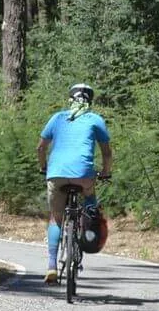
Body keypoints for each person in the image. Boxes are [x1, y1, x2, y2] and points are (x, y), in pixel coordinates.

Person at [36, 83, 112, 284]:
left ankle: (52, 266)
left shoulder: (58, 118)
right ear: (90, 100)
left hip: (56, 174)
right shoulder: (95, 119)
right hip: (83, 174)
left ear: (70, 99)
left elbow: (40, 148)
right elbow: (106, 153)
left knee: (56, 219)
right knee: (89, 197)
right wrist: (105, 172)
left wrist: (44, 168)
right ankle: (89, 220)